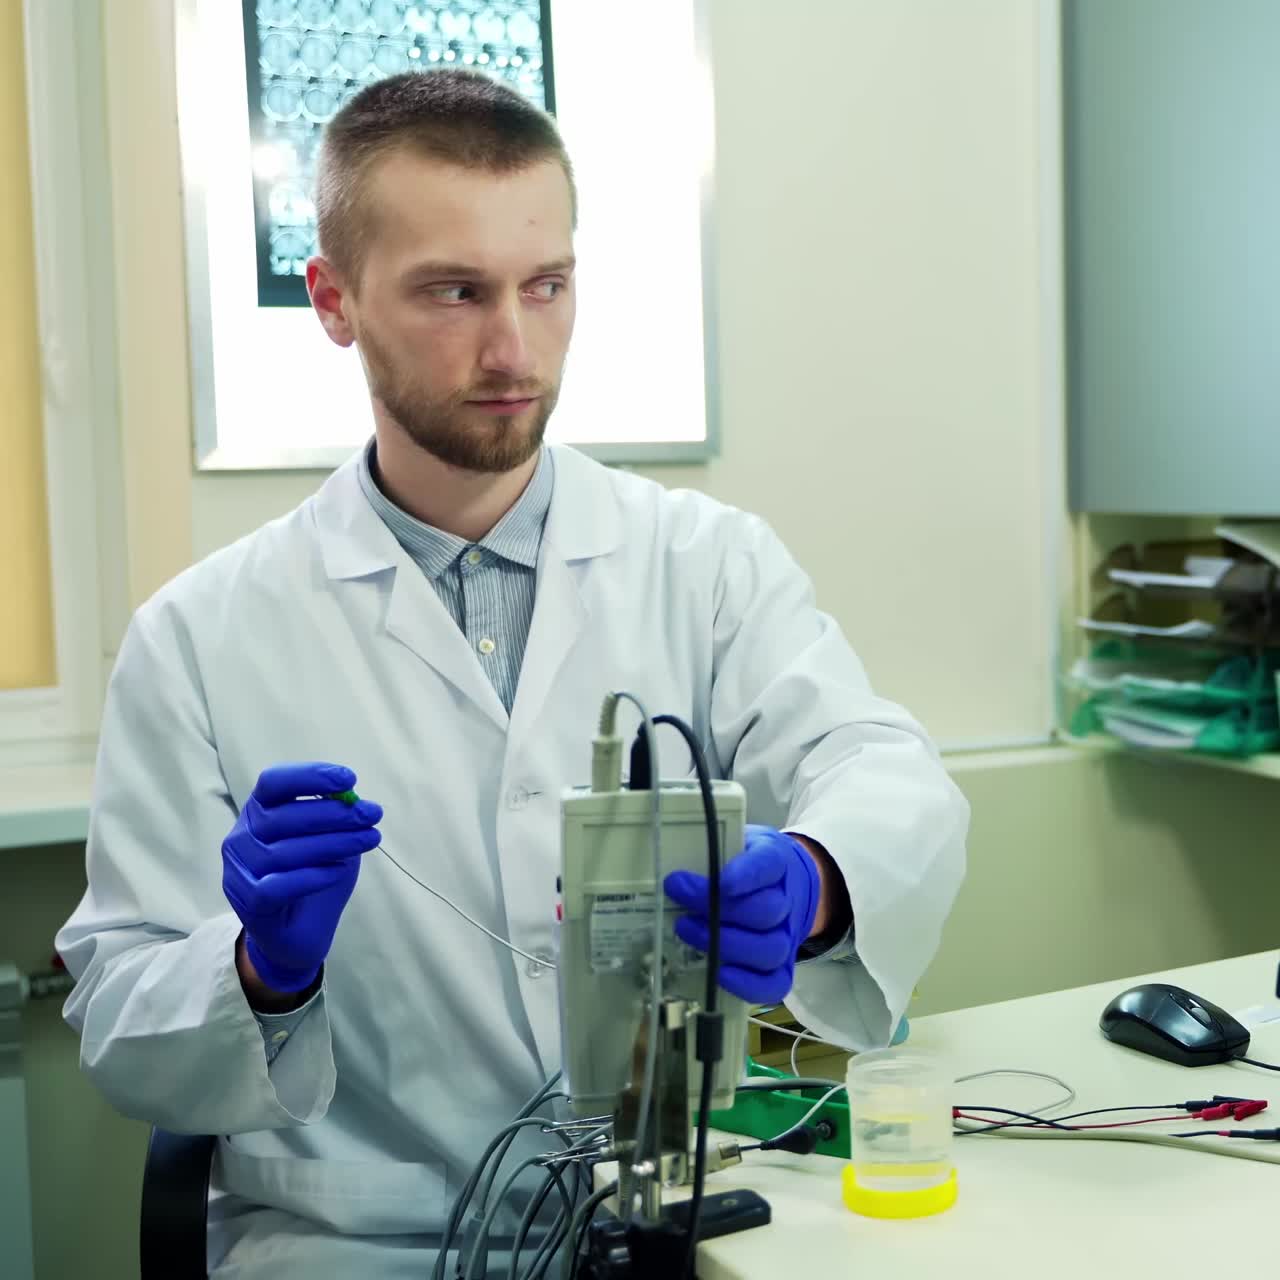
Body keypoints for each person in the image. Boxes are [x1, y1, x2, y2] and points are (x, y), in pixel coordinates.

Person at [56, 69, 968, 1277]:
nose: (512, 348)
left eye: (547, 286)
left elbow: (881, 767)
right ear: (332, 300)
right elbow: (123, 1024)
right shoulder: (197, 636)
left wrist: (815, 881)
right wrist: (256, 968)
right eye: (453, 292)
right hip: (356, 1239)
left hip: (667, 1223)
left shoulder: (702, 563)